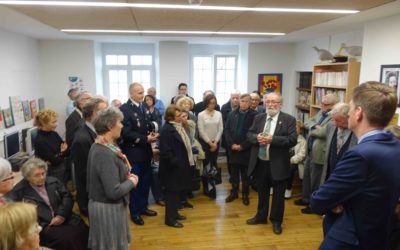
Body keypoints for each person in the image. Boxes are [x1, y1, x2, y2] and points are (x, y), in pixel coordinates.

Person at [310, 81, 400, 250]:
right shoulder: (395, 146)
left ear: (358, 113)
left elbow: (318, 202)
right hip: (380, 236)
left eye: (350, 108)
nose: (348, 113)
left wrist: (337, 201)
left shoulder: (360, 154)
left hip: (351, 239)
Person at [6, 158, 89, 250]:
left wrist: (61, 215)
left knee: (83, 229)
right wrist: (44, 224)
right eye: (37, 175)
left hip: (65, 217)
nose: (42, 177)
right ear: (27, 177)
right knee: (67, 239)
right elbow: (21, 217)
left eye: (43, 173)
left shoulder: (53, 181)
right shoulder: (19, 192)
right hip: (44, 226)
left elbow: (67, 197)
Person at [86, 107, 138, 250]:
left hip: (108, 207)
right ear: (110, 126)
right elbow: (113, 192)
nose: (122, 125)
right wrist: (132, 181)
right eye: (119, 122)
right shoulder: (103, 152)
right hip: (107, 210)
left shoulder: (105, 145)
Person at [246, 93, 297, 235]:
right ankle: (261, 217)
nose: (270, 104)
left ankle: (276, 221)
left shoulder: (289, 119)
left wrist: (272, 140)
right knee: (262, 193)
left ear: (280, 104)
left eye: (274, 102)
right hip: (261, 162)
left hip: (278, 164)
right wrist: (256, 137)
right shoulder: (259, 118)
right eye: (267, 101)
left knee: (278, 196)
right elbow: (249, 134)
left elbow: (292, 140)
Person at [120, 82, 159, 225]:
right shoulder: (125, 109)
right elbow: (126, 132)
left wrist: (152, 134)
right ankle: (135, 212)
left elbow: (145, 125)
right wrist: (145, 139)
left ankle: (143, 207)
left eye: (143, 92)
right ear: (131, 94)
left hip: (146, 151)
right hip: (134, 152)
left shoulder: (143, 106)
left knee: (145, 182)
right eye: (139, 93)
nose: (142, 95)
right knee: (135, 184)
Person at [294, 93, 337, 212]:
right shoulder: (321, 112)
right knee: (307, 176)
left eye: (325, 104)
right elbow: (308, 121)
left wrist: (311, 129)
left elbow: (323, 133)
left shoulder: (334, 116)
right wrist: (315, 126)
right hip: (310, 150)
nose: (321, 105)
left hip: (320, 153)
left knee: (316, 181)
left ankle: (314, 205)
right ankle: (306, 198)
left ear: (333, 105)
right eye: (322, 102)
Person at [70, 97, 108, 216]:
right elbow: (84, 173)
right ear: (92, 114)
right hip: (92, 196)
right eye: (103, 111)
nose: (107, 115)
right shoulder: (82, 139)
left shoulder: (97, 130)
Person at [159, 105, 194, 228]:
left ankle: (175, 213)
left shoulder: (178, 126)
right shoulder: (167, 130)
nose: (181, 118)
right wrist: (177, 163)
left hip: (179, 166)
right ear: (170, 117)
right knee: (171, 194)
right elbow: (166, 152)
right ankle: (170, 219)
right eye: (178, 116)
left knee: (176, 192)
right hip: (172, 169)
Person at [224, 94, 257, 205]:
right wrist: (232, 144)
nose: (243, 103)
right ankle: (234, 192)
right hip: (233, 150)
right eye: (242, 101)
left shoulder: (255, 115)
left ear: (250, 103)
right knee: (233, 174)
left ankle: (245, 194)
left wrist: (242, 146)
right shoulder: (232, 113)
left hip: (246, 150)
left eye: (246, 101)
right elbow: (227, 130)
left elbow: (254, 134)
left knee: (245, 175)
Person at [197, 94, 223, 199]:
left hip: (216, 143)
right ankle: (206, 188)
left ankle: (213, 187)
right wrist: (210, 143)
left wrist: (215, 142)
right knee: (206, 166)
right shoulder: (201, 115)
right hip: (205, 144)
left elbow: (221, 129)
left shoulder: (219, 114)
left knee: (213, 165)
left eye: (214, 103)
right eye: (210, 103)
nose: (212, 105)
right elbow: (201, 131)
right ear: (206, 103)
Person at [34, 109, 68, 184]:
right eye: (54, 122)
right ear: (44, 123)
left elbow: (65, 149)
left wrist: (60, 153)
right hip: (52, 172)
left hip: (61, 168)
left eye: (56, 121)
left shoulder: (53, 133)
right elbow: (54, 161)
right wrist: (61, 152)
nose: (57, 124)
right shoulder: (40, 140)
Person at [285, 120, 307, 199]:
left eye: (296, 128)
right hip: (284, 159)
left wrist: (290, 160)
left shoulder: (303, 141)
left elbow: (302, 155)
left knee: (290, 169)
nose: (294, 130)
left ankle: (288, 189)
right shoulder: (285, 138)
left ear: (300, 130)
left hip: (296, 162)